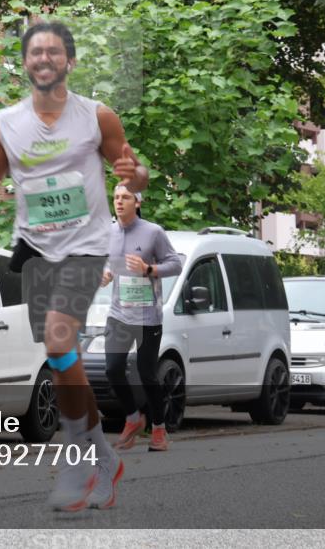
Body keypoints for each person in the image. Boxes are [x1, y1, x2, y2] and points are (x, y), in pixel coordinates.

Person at [0, 21, 148, 511]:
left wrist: (137, 174)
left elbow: (135, 170)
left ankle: (73, 457)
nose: (43, 59)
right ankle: (104, 456)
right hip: (36, 248)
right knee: (62, 360)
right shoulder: (5, 123)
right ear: (25, 64)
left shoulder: (97, 117)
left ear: (69, 60)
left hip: (86, 246)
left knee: (60, 341)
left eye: (53, 52)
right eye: (34, 53)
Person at [100, 187, 182, 451]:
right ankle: (133, 418)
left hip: (148, 315)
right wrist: (103, 274)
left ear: (137, 202)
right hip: (118, 314)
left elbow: (175, 264)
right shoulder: (108, 232)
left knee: (147, 373)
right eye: (116, 197)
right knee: (112, 369)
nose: (119, 202)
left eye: (125, 197)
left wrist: (149, 269)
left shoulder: (153, 232)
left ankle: (158, 428)